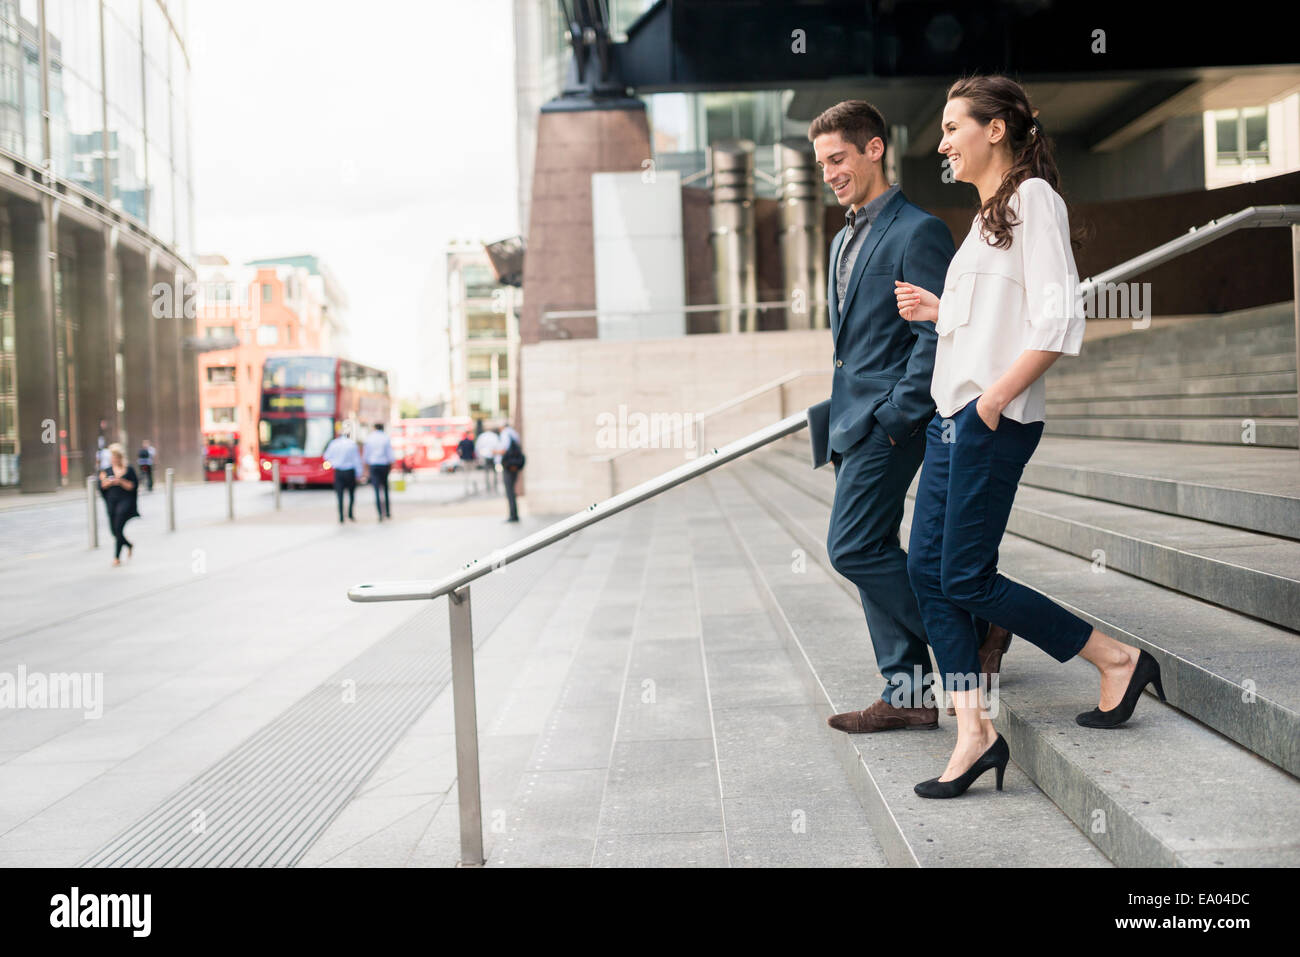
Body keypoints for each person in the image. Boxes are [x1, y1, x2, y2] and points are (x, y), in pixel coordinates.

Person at [894, 75, 1161, 799]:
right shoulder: (986, 218)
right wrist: (941, 309)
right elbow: (990, 324)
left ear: (997, 131)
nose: (943, 141)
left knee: (966, 577)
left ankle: (1114, 658)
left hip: (990, 421)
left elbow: (1058, 318)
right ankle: (974, 730)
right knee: (928, 574)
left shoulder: (1034, 201)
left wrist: (994, 399)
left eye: (954, 127)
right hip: (953, 421)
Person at [806, 100, 1010, 735]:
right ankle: (910, 690)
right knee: (871, 545)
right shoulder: (843, 236)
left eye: (837, 158)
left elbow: (935, 334)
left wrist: (896, 416)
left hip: (890, 421)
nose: (828, 173)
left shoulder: (916, 230)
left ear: (874, 150)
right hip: (848, 421)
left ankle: (975, 630)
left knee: (851, 547)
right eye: (820, 164)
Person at [99, 443, 139, 567]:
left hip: (125, 500)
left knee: (118, 526)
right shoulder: (106, 471)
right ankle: (128, 544)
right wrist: (108, 482)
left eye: (116, 457)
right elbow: (102, 486)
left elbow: (133, 486)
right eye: (112, 457)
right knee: (114, 530)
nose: (114, 459)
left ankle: (116, 557)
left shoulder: (129, 469)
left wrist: (120, 481)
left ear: (120, 457)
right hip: (112, 501)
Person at [322, 427, 363, 523]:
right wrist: (359, 474)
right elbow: (356, 460)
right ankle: (350, 514)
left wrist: (334, 462)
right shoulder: (352, 445)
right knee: (351, 494)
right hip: (350, 472)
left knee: (339, 495)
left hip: (339, 472)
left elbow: (326, 457)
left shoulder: (334, 444)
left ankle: (341, 516)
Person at [363, 422, 395, 521]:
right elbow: (390, 454)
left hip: (374, 465)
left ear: (374, 428)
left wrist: (366, 468)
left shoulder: (369, 438)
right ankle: (388, 512)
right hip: (384, 465)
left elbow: (366, 455)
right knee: (385, 489)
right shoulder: (386, 438)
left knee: (376, 490)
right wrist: (391, 465)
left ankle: (380, 514)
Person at [498, 423, 523, 523]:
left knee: (509, 491)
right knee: (512, 490)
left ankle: (513, 515)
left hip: (508, 466)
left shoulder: (505, 434)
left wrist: (494, 452)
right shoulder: (514, 434)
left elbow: (504, 450)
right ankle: (514, 514)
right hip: (515, 465)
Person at [475, 426, 500, 493]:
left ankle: (488, 486)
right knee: (494, 472)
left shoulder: (482, 436)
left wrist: (478, 456)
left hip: (485, 455)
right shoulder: (494, 436)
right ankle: (494, 486)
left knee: (487, 472)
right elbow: (498, 445)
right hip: (493, 455)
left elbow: (478, 446)